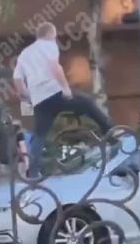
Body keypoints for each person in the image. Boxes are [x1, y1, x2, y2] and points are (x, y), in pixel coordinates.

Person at [13, 22, 113, 178]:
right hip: (55, 94)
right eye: (54, 36)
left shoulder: (24, 54)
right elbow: (55, 68)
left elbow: (17, 79)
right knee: (87, 103)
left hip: (39, 100)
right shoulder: (48, 45)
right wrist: (65, 89)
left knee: (39, 136)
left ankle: (33, 173)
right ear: (49, 35)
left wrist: (27, 96)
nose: (55, 39)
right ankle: (111, 132)